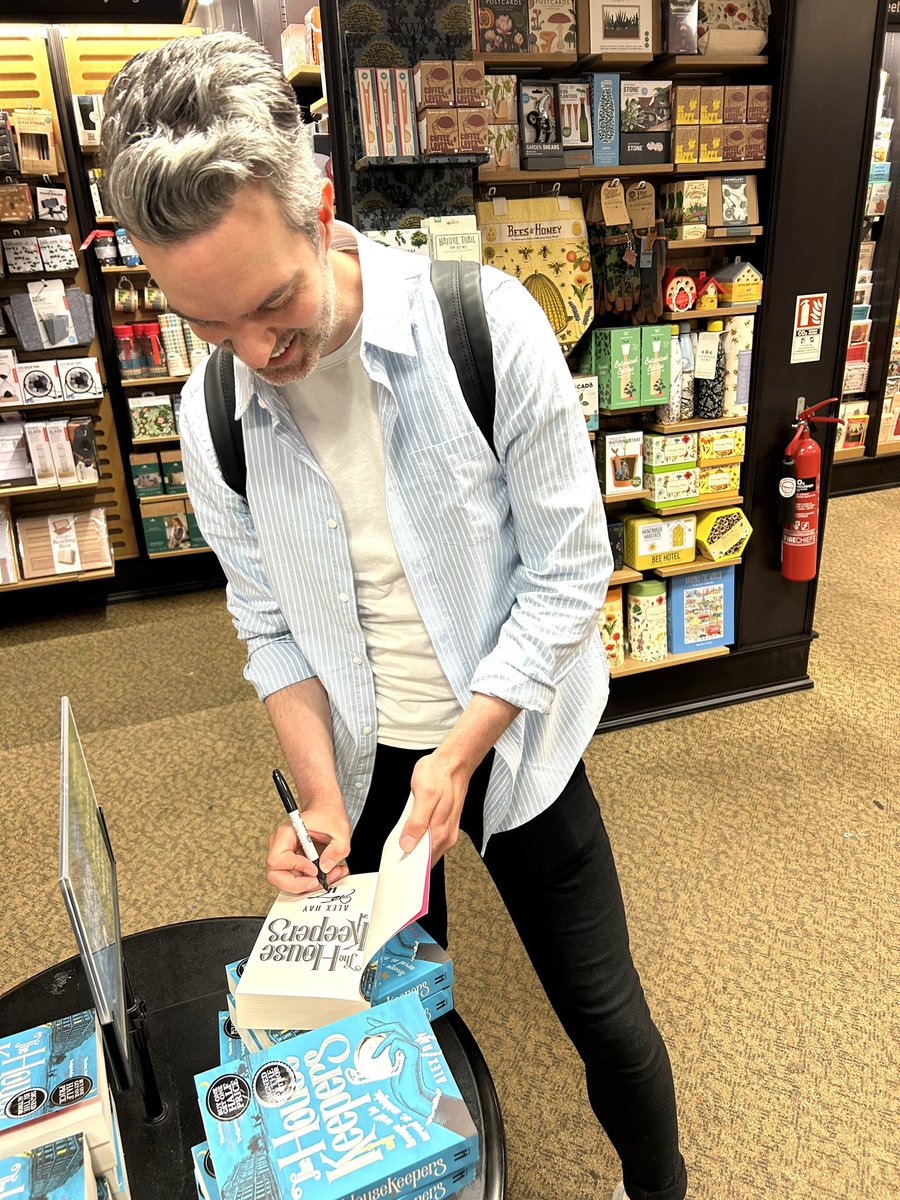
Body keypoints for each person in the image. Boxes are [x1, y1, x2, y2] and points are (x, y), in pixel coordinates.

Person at [100, 32, 688, 1200]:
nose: (256, 357)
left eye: (271, 306)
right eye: (208, 328)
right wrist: (319, 796)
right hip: (367, 760)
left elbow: (572, 572)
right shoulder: (213, 415)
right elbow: (267, 624)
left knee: (605, 1011)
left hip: (517, 738)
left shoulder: (490, 327)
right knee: (395, 1031)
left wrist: (466, 748)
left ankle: (659, 1183)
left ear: (319, 206)